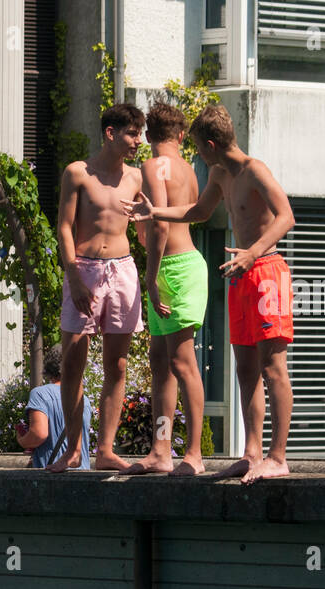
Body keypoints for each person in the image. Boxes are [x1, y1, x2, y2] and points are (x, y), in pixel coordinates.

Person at [125, 104, 295, 484]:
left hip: (267, 270)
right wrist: (157, 214)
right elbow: (199, 212)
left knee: (273, 367)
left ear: (211, 144)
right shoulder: (219, 174)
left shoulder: (255, 170)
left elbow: (286, 215)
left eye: (200, 149)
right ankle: (252, 454)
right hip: (239, 274)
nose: (196, 157)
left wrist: (254, 251)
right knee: (246, 369)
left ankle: (278, 456)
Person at [47, 103, 146, 473]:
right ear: (111, 133)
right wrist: (72, 276)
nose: (139, 141)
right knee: (73, 362)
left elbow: (142, 232)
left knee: (116, 365)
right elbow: (65, 227)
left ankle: (105, 450)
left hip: (123, 270)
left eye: (140, 134)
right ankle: (74, 449)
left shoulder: (135, 178)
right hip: (85, 268)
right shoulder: (78, 173)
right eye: (133, 133)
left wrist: (149, 220)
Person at [128, 102, 207, 476]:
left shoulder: (150, 166)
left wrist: (151, 276)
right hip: (180, 266)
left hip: (171, 269)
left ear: (148, 137)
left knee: (181, 362)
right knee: (161, 364)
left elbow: (158, 223)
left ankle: (193, 453)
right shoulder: (190, 170)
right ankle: (162, 450)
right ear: (179, 135)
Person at [16, 344, 91, 469]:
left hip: (54, 474)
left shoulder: (40, 394)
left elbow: (38, 434)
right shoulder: (85, 400)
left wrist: (22, 440)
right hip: (83, 472)